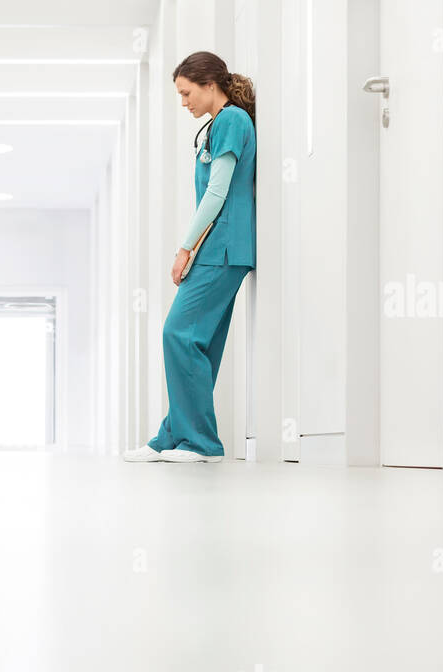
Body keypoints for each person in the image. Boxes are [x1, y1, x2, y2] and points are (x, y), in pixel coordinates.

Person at [125, 52, 256, 463]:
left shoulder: (232, 120)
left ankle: (202, 443)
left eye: (186, 93)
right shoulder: (215, 125)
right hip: (218, 248)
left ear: (208, 83)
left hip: (225, 247)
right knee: (199, 343)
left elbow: (218, 192)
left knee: (177, 335)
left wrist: (185, 248)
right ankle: (173, 434)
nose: (184, 103)